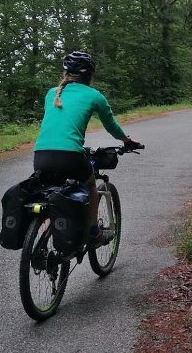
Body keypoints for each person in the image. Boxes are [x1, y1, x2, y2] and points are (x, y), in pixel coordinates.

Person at [32, 50, 139, 243]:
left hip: (40, 155)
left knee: (52, 191)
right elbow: (112, 126)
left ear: (66, 73)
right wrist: (127, 141)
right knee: (90, 185)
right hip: (70, 156)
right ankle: (93, 233)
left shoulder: (51, 93)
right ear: (89, 74)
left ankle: (43, 238)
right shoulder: (94, 95)